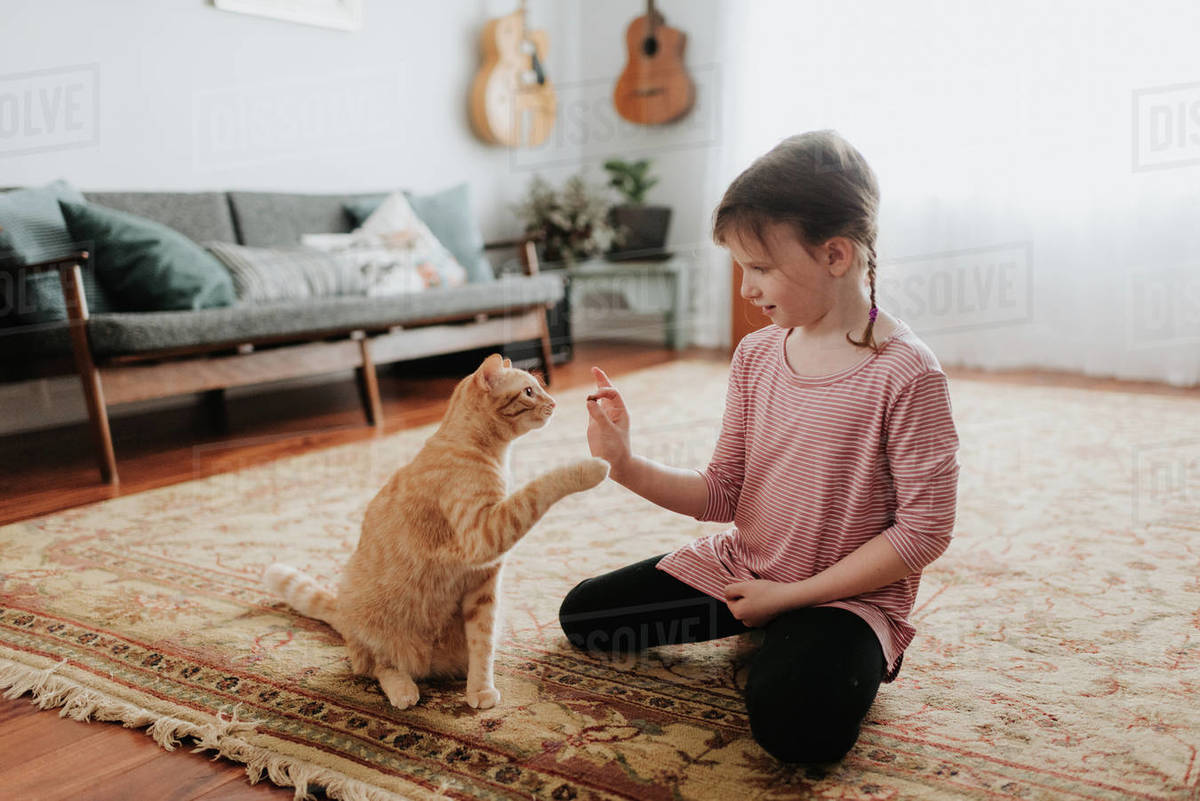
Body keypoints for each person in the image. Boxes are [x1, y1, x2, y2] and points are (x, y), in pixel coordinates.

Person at [558, 130, 960, 764]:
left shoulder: (907, 373)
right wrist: (624, 463)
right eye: (740, 267)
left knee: (797, 730)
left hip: (847, 597)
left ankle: (805, 639)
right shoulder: (755, 355)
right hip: (746, 569)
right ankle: (776, 629)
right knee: (584, 619)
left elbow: (924, 533)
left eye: (761, 267)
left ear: (836, 255)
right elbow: (722, 491)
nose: (745, 289)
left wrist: (791, 598)